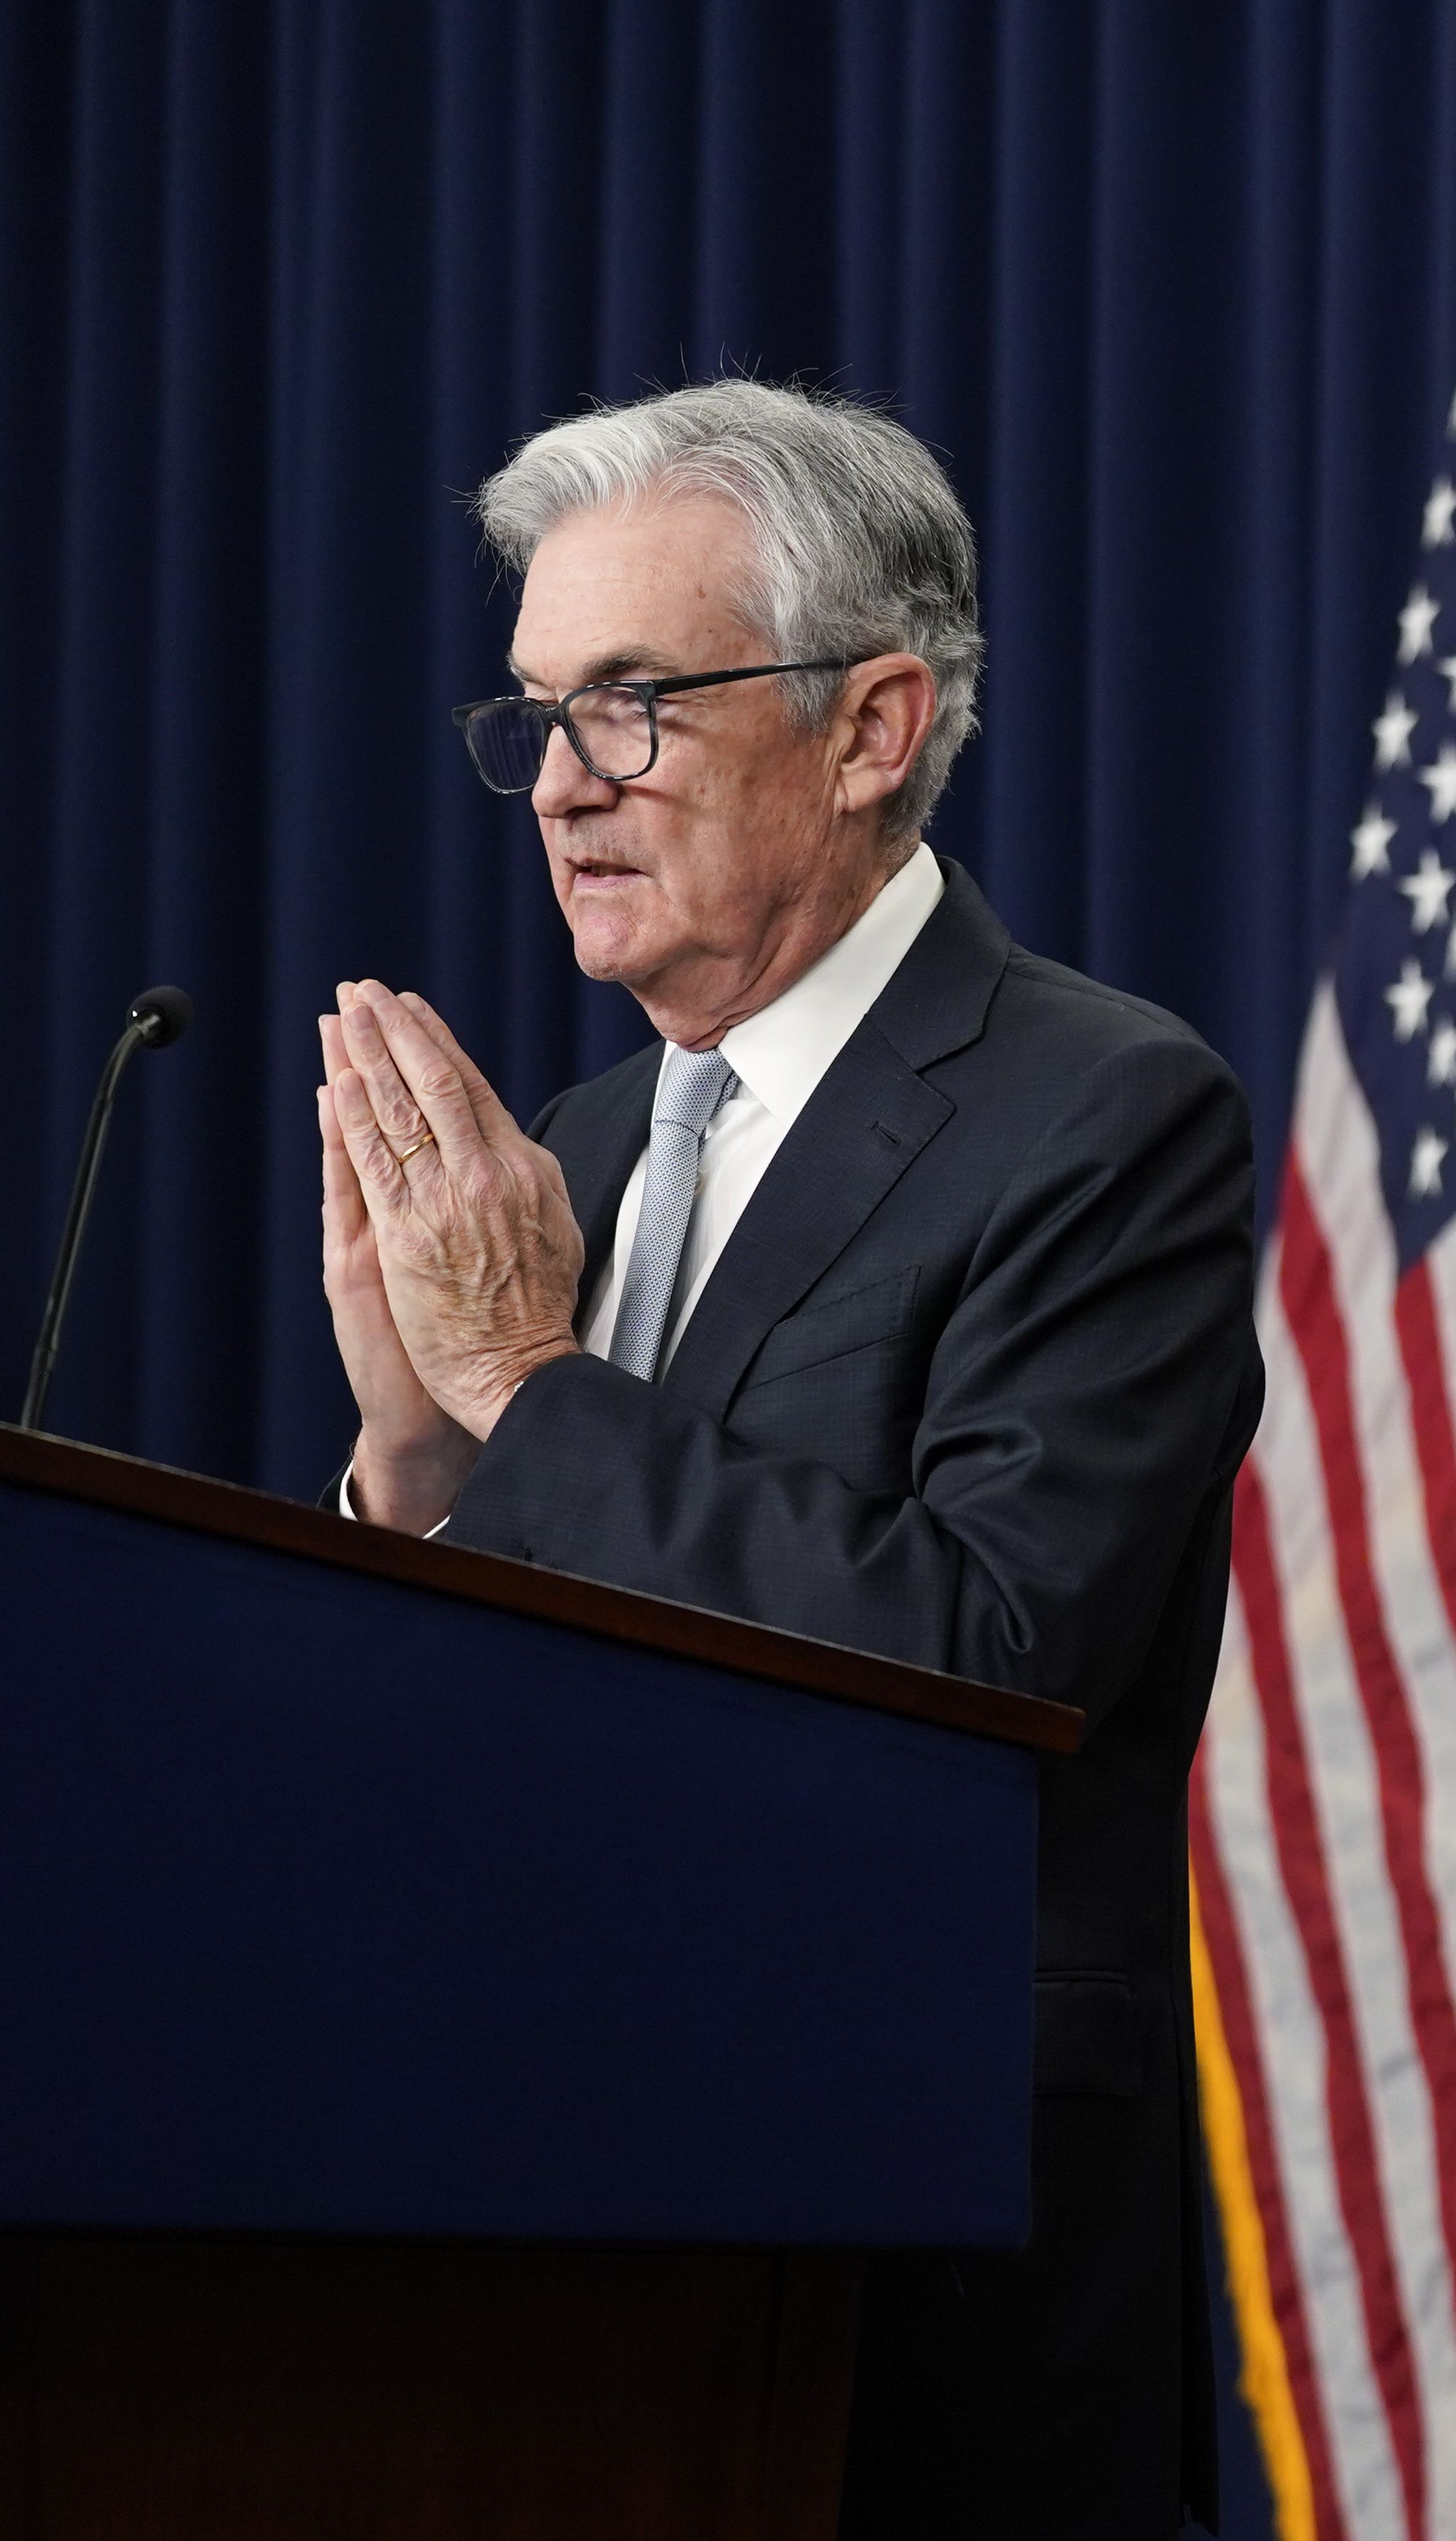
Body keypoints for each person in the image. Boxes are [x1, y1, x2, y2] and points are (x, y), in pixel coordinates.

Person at [311, 377, 1259, 2539]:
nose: (555, 789)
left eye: (632, 705)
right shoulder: (563, 1153)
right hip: (527, 2240)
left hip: (905, 2281)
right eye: (539, 715)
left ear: (872, 726)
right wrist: (411, 1465)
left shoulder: (1103, 1117)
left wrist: (536, 1394)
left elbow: (987, 1650)